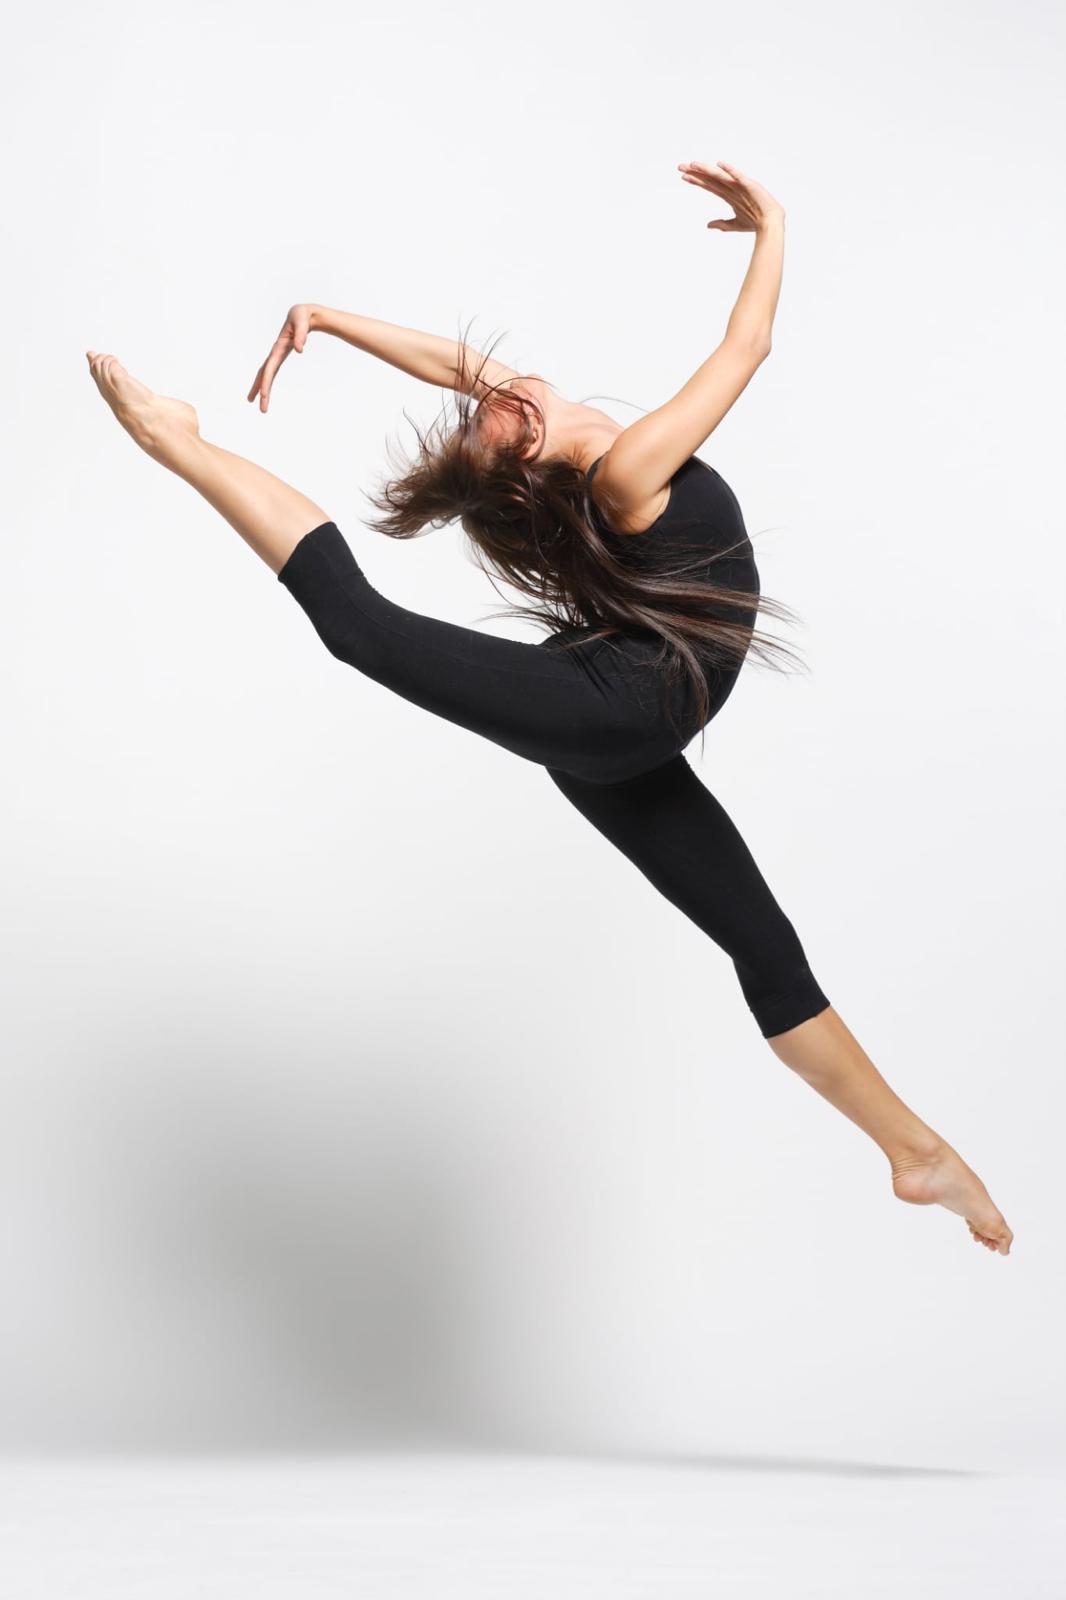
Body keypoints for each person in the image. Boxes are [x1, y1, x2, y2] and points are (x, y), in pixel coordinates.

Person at [84, 158, 1012, 1255]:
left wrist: (327, 318)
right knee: (360, 628)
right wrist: (772, 226)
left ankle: (914, 1152)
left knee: (764, 948)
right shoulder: (626, 471)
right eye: (485, 420)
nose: (482, 399)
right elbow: (746, 346)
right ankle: (179, 441)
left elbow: (452, 362)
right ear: (523, 448)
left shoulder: (530, 403)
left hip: (618, 716)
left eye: (481, 407)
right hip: (616, 708)